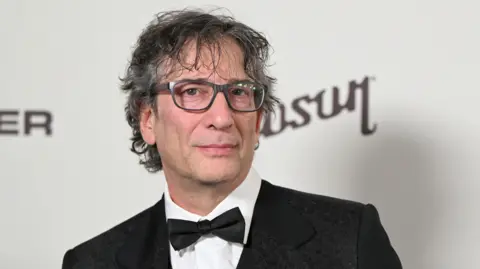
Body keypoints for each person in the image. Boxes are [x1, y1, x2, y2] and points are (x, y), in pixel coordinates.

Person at [62, 8, 402, 269]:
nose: (223, 118)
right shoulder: (91, 261)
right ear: (148, 119)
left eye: (239, 92)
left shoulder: (349, 238)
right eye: (192, 91)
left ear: (258, 120)